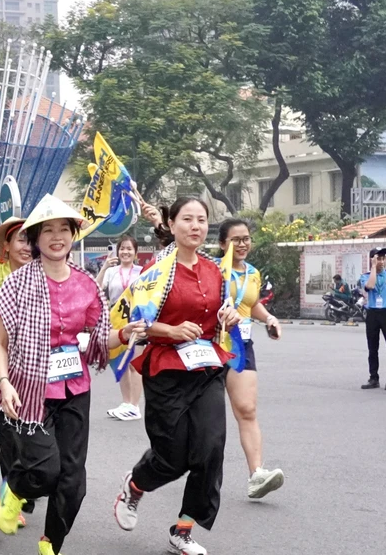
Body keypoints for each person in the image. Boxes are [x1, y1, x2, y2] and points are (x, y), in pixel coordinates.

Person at [0, 195, 135, 555]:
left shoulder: (88, 285)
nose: (57, 236)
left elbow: (99, 339)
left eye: (64, 228)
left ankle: (51, 542)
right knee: (46, 470)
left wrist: (126, 334)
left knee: (74, 479)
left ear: (74, 234)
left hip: (75, 388)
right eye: (47, 230)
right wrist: (3, 382)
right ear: (34, 239)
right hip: (29, 390)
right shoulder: (17, 284)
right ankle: (15, 487)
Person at [113, 197, 241, 555]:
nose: (196, 226)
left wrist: (227, 317)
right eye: (187, 219)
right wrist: (168, 331)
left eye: (202, 220)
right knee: (172, 457)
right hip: (166, 370)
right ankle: (135, 485)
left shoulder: (216, 270)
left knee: (211, 449)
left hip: (206, 369)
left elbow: (221, 314)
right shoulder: (155, 271)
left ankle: (182, 531)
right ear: (171, 224)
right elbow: (134, 326)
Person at [217, 219, 285, 499]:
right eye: (236, 239)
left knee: (246, 409)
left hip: (241, 345)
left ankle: (257, 474)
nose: (242, 244)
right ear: (223, 244)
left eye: (246, 238)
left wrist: (269, 318)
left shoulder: (253, 273)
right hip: (209, 345)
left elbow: (251, 303)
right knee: (200, 416)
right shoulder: (212, 270)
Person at [0, 215, 31, 489]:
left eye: (31, 240)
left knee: (31, 420)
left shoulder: (47, 272)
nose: (28, 246)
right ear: (7, 246)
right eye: (21, 239)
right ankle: (1, 475)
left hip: (34, 361)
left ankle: (25, 474)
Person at [96, 235, 145, 421]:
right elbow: (97, 287)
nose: (125, 252)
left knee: (134, 364)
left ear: (135, 252)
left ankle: (135, 405)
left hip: (137, 321)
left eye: (129, 249)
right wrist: (105, 266)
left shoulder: (142, 271)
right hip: (117, 321)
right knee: (120, 364)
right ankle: (126, 403)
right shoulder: (112, 271)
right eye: (122, 248)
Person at [359, 247, 386, 390]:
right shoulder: (365, 276)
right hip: (373, 314)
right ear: (372, 259)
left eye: (382, 258)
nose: (381, 261)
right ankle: (373, 378)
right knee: (372, 348)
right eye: (378, 258)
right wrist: (373, 267)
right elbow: (370, 285)